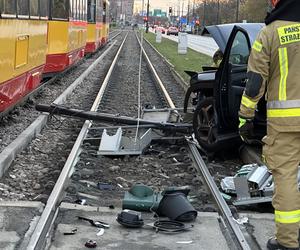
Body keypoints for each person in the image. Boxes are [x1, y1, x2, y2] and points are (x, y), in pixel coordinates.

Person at [238, 0, 300, 249]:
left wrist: (245, 117)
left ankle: (287, 242)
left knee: (285, 178)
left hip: (284, 123)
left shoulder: (270, 32)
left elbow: (255, 82)